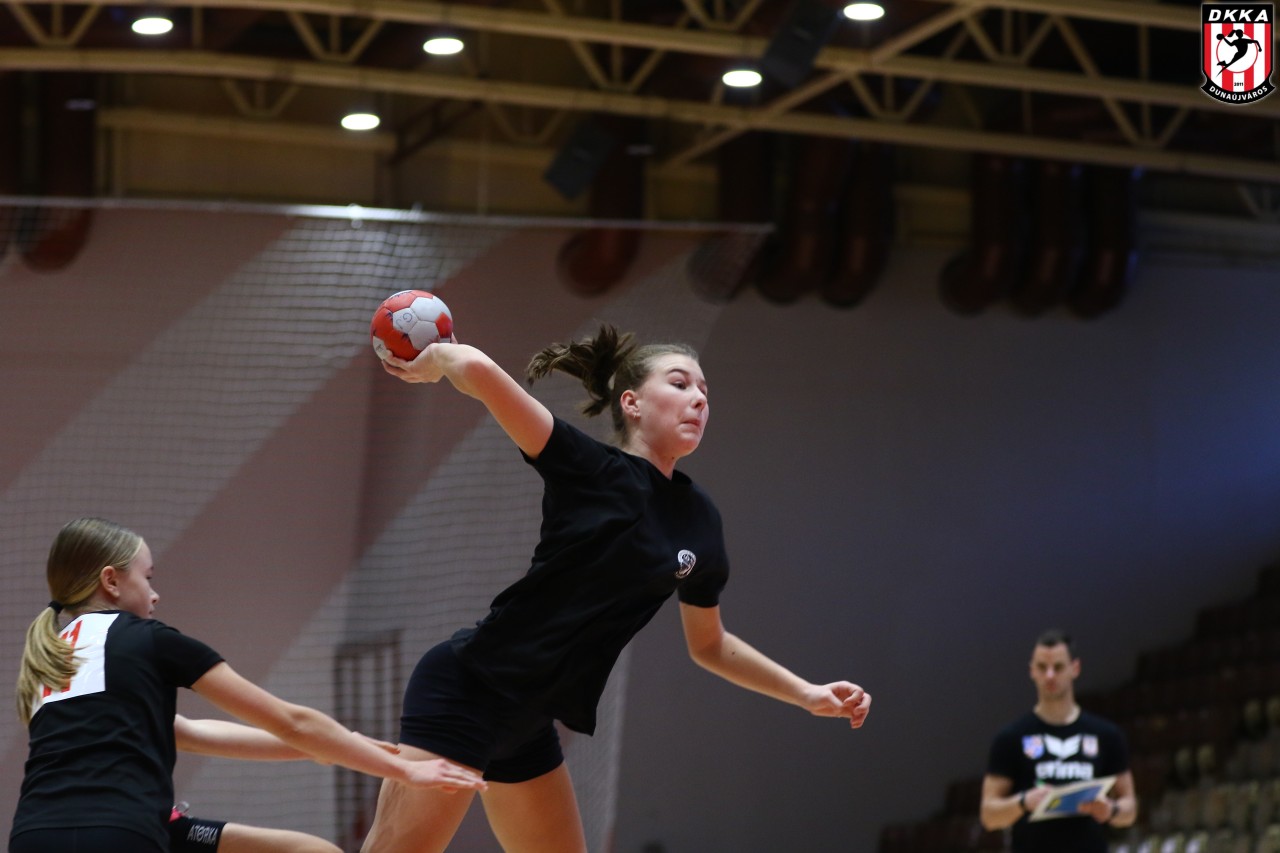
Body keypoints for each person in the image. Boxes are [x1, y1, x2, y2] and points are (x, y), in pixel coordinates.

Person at [362, 325, 873, 853]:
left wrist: (807, 693)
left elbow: (711, 645)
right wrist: (437, 359)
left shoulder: (699, 519)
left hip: (529, 723)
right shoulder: (590, 469)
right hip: (469, 690)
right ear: (631, 403)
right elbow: (481, 372)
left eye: (705, 391)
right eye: (680, 383)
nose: (699, 399)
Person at [10, 516, 486, 853]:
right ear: (111, 581)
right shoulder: (149, 640)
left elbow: (190, 733)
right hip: (121, 832)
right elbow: (292, 721)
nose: (154, 594)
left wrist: (340, 746)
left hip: (33, 835)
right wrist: (404, 770)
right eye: (147, 577)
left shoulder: (51, 658)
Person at [980, 629, 1137, 852]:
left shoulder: (1106, 735)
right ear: (1032, 671)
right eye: (1042, 667)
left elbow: (1130, 809)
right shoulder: (1011, 738)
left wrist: (1110, 810)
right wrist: (1023, 801)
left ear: (1075, 668)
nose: (1050, 676)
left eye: (1058, 667)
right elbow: (989, 815)